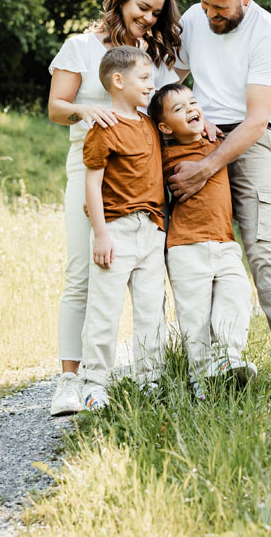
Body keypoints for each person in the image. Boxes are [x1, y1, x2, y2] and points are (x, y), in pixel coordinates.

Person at [170, 0, 271, 400]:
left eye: (220, 7)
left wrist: (207, 168)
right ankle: (209, 361)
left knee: (264, 247)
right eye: (205, 4)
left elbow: (255, 120)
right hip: (199, 134)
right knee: (195, 250)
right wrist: (189, 116)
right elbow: (171, 78)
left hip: (253, 140)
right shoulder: (194, 17)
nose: (210, 14)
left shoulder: (267, 32)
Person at [47, 0, 180, 416]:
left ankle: (144, 377)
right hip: (89, 165)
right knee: (82, 271)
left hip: (140, 176)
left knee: (143, 284)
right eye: (142, 7)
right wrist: (86, 108)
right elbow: (56, 107)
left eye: (156, 13)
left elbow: (167, 104)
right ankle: (70, 380)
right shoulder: (80, 47)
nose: (148, 17)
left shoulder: (151, 57)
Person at [149, 82, 256, 398]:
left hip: (224, 241)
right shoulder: (166, 154)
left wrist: (209, 127)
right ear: (165, 126)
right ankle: (201, 380)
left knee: (237, 295)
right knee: (194, 318)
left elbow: (237, 135)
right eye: (178, 109)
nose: (190, 110)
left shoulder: (218, 144)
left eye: (193, 102)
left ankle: (227, 358)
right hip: (185, 247)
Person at [80, 46, 167, 410]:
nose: (151, 86)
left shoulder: (149, 123)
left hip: (152, 230)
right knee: (105, 309)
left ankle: (150, 380)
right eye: (144, 79)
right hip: (115, 231)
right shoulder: (105, 128)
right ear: (118, 80)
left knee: (152, 311)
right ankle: (94, 382)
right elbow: (92, 185)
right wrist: (101, 234)